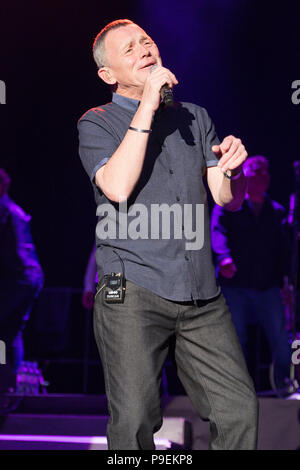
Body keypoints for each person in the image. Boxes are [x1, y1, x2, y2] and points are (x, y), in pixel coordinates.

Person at [78, 19, 258, 450]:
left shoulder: (196, 117)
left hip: (201, 295)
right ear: (108, 75)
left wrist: (234, 170)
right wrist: (147, 106)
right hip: (134, 290)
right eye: (129, 50)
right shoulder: (96, 122)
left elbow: (226, 199)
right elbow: (117, 187)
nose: (144, 50)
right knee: (136, 420)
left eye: (147, 42)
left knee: (239, 410)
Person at [211, 155, 291, 391]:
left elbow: (284, 253)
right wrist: (224, 259)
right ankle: (238, 391)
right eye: (255, 171)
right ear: (246, 174)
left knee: (281, 340)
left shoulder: (276, 212)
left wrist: (286, 284)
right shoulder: (230, 205)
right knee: (236, 340)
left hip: (267, 287)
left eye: (265, 171)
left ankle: (284, 386)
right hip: (235, 286)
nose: (261, 176)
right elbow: (217, 234)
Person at [0, 169, 44, 377]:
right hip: (30, 278)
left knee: (6, 332)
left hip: (17, 279)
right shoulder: (14, 209)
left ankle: (4, 380)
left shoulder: (3, 209)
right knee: (11, 332)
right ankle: (8, 386)